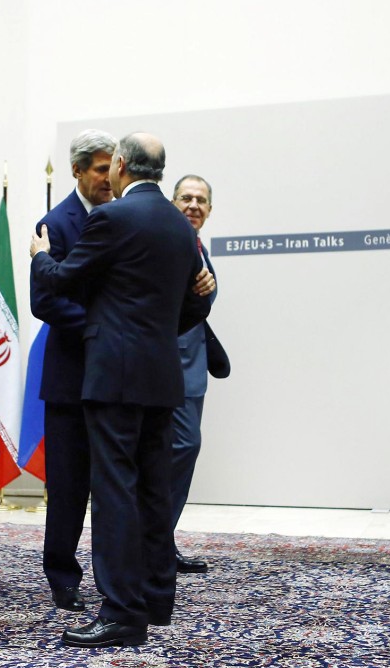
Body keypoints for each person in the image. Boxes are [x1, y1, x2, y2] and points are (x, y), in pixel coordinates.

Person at [30, 132, 212, 648]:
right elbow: (194, 307)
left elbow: (61, 280)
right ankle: (157, 598)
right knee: (153, 490)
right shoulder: (182, 226)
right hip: (161, 376)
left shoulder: (110, 218)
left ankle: (121, 613)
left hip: (113, 376)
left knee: (112, 494)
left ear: (122, 168)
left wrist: (41, 254)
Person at [30, 129, 116, 613]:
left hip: (116, 376)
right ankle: (61, 574)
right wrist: (103, 327)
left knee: (112, 484)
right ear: (78, 171)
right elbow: (45, 301)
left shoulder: (122, 216)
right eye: (101, 169)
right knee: (67, 486)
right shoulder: (54, 224)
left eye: (112, 167)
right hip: (70, 376)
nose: (109, 177)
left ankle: (114, 574)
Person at [169, 174, 229, 574]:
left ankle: (162, 540)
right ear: (172, 202)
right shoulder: (168, 243)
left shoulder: (199, 246)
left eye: (201, 200)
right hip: (166, 367)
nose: (193, 205)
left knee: (186, 453)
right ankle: (150, 542)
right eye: (186, 198)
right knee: (181, 448)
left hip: (194, 370)